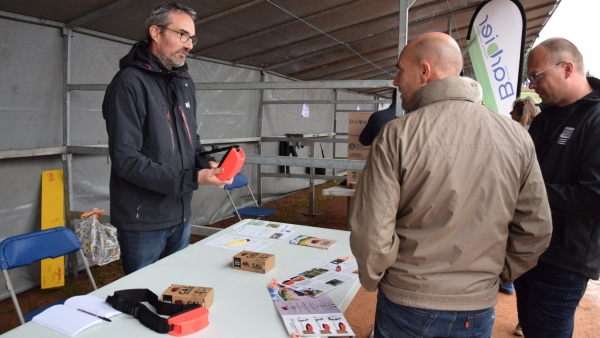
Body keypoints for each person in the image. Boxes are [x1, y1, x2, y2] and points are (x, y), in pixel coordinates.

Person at [349, 32, 553, 338]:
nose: (395, 80)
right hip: (477, 305)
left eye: (400, 69)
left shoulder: (397, 134)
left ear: (425, 71)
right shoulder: (516, 136)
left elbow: (372, 232)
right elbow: (536, 229)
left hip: (408, 300)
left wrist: (377, 277)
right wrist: (493, 276)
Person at [102, 2, 232, 275]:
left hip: (181, 213)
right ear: (155, 32)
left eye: (192, 38)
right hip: (143, 220)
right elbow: (126, 160)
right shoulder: (129, 83)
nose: (189, 45)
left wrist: (206, 163)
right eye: (181, 35)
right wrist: (193, 179)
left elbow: (190, 139)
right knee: (144, 294)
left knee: (175, 291)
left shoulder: (183, 81)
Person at [514, 37, 600, 338]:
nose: (532, 84)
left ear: (567, 68)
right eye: (530, 78)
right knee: (531, 326)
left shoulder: (595, 118)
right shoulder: (545, 118)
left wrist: (526, 194)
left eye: (537, 76)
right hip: (528, 249)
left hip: (564, 259)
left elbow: (594, 196)